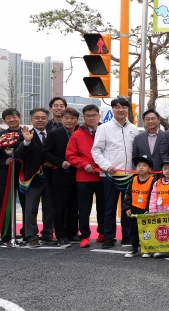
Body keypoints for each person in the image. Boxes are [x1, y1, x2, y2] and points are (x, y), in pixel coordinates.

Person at [90, 98, 139, 249]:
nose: (121, 110)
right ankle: (109, 237)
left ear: (128, 110)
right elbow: (96, 150)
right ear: (112, 109)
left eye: (124, 107)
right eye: (117, 107)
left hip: (130, 176)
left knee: (128, 208)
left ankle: (127, 236)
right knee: (109, 207)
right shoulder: (104, 128)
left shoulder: (134, 129)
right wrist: (106, 165)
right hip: (110, 176)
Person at [66, 104, 104, 248]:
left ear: (99, 116)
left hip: (103, 176)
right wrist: (84, 164)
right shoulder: (77, 134)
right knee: (84, 208)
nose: (91, 118)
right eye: (88, 115)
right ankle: (85, 235)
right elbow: (70, 155)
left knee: (104, 207)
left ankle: (103, 233)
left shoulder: (105, 131)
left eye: (94, 115)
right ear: (84, 117)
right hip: (84, 176)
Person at [42, 107, 80, 248]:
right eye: (66, 118)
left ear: (77, 120)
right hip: (59, 176)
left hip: (78, 175)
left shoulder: (79, 133)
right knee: (60, 207)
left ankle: (72, 232)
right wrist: (59, 162)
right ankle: (61, 234)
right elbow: (45, 152)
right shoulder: (53, 134)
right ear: (62, 119)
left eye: (72, 118)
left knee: (74, 206)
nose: (69, 121)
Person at [18, 108, 56, 247]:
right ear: (31, 120)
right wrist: (26, 142)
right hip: (32, 177)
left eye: (43, 118)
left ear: (48, 119)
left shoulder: (53, 134)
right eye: (37, 118)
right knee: (31, 208)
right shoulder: (25, 135)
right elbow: (18, 154)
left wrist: (54, 161)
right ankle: (31, 236)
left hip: (51, 177)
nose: (40, 120)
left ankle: (47, 234)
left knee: (50, 208)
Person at [0, 108, 25, 246]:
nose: (12, 119)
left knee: (27, 206)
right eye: (8, 118)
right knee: (5, 205)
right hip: (5, 175)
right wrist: (4, 162)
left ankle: (27, 234)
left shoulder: (27, 133)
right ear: (5, 120)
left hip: (24, 175)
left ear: (19, 117)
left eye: (14, 116)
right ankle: (6, 235)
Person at [122, 156, 155, 258]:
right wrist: (127, 208)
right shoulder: (133, 180)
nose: (141, 167)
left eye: (144, 166)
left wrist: (148, 209)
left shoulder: (153, 181)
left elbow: (152, 197)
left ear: (150, 169)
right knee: (133, 231)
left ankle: (147, 249)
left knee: (147, 231)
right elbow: (128, 195)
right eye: (138, 165)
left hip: (145, 211)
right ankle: (134, 248)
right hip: (134, 210)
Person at [148, 159, 169, 258]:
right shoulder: (158, 182)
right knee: (161, 231)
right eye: (165, 169)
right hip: (160, 211)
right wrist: (152, 209)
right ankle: (162, 249)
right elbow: (153, 196)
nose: (167, 171)